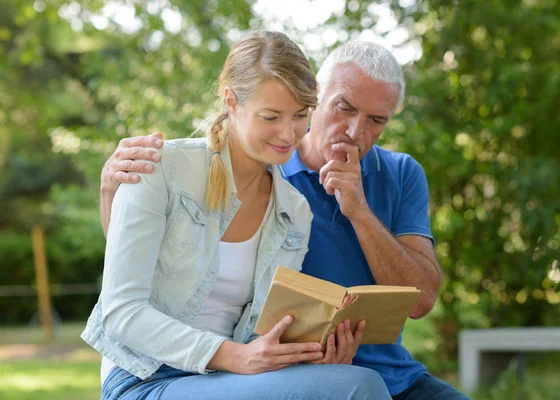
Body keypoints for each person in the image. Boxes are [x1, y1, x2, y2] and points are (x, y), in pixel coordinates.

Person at [99, 40, 470, 399]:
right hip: (148, 373)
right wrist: (238, 357)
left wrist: (313, 357)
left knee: (354, 382)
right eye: (271, 117)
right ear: (231, 100)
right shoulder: (158, 164)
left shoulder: (292, 208)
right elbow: (124, 303)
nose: (287, 133)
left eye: (297, 117)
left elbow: (263, 329)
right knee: (360, 386)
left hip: (237, 377)